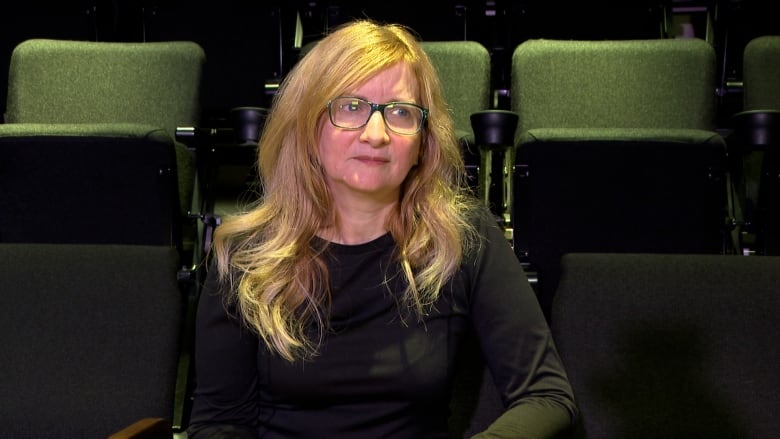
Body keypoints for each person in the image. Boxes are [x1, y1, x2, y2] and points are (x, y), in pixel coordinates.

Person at [186, 19, 577, 439]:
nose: (376, 135)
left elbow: (547, 396)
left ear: (423, 141)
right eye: (351, 107)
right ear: (308, 124)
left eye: (401, 113)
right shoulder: (246, 254)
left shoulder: (463, 237)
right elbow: (219, 424)